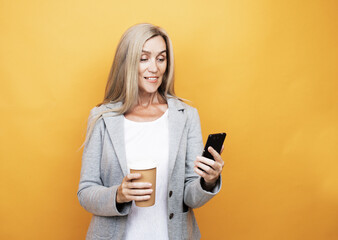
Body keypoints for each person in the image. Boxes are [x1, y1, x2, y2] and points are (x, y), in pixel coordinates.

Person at [77, 23, 225, 240]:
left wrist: (208, 181)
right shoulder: (102, 117)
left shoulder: (185, 115)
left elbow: (191, 198)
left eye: (161, 58)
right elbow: (85, 192)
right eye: (143, 58)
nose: (154, 68)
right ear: (127, 62)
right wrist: (118, 194)